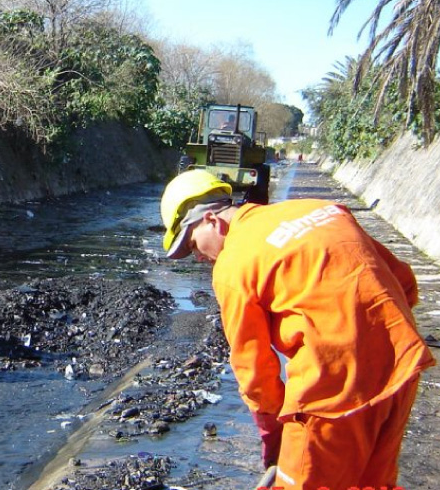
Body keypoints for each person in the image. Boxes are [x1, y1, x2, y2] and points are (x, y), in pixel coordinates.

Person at [159, 169, 435, 490]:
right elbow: (403, 281)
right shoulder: (319, 209)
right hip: (402, 364)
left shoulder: (233, 264)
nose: (198, 257)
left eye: (193, 245)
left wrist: (273, 434)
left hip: (331, 393)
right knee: (373, 483)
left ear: (211, 220)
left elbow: (254, 371)